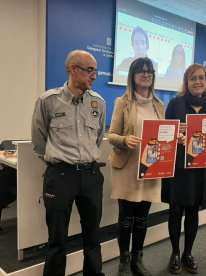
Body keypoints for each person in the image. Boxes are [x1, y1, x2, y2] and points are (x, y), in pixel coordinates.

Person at [31, 50, 106, 276]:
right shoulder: (48, 101)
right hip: (60, 176)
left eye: (95, 71)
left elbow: (98, 137)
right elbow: (38, 141)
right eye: (89, 70)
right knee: (57, 239)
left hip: (91, 176)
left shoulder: (98, 102)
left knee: (93, 236)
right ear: (73, 69)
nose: (94, 76)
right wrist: (59, 162)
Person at [108, 57, 183, 276]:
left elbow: (163, 133)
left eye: (149, 71)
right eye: (141, 71)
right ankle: (124, 261)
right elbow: (112, 135)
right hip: (127, 167)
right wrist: (125, 140)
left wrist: (175, 137)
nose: (146, 75)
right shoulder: (122, 102)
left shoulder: (159, 105)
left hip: (151, 167)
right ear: (132, 76)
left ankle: (137, 260)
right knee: (126, 217)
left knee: (142, 217)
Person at [161, 63, 206, 274]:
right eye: (193, 78)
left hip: (200, 168)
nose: (197, 82)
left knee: (193, 211)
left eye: (201, 78)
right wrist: (176, 133)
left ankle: (187, 253)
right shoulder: (175, 103)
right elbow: (163, 135)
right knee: (175, 210)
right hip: (178, 167)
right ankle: (174, 252)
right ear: (186, 82)